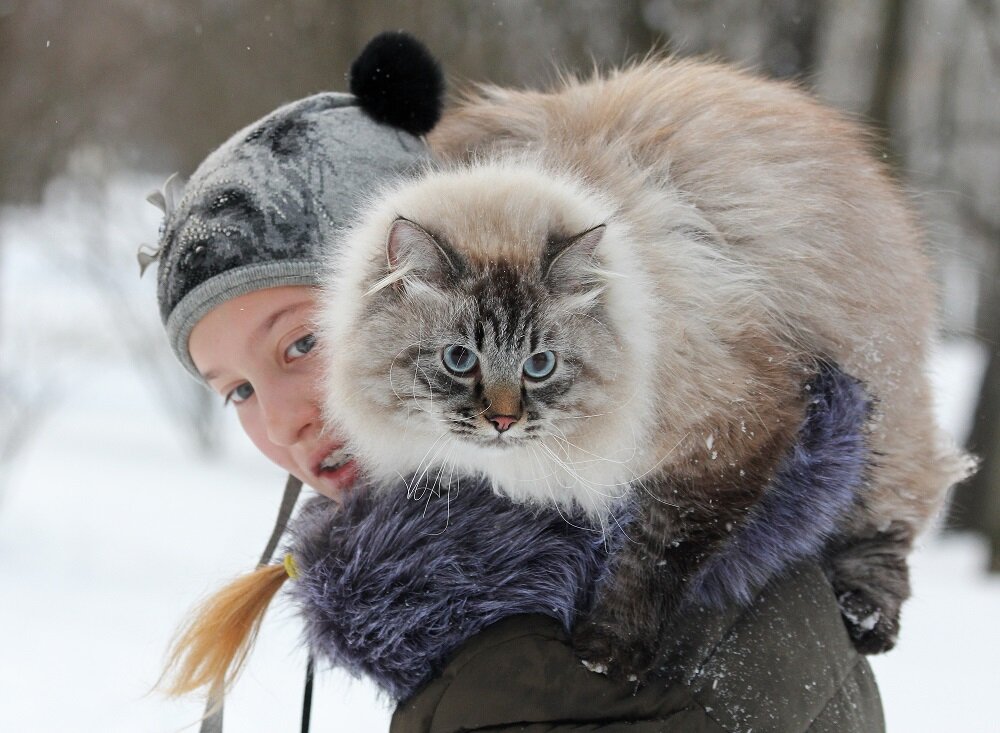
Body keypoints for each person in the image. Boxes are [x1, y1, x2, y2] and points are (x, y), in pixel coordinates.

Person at [152, 32, 886, 732]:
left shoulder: (539, 623)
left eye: (301, 342)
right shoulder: (703, 476)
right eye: (238, 390)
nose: (283, 423)